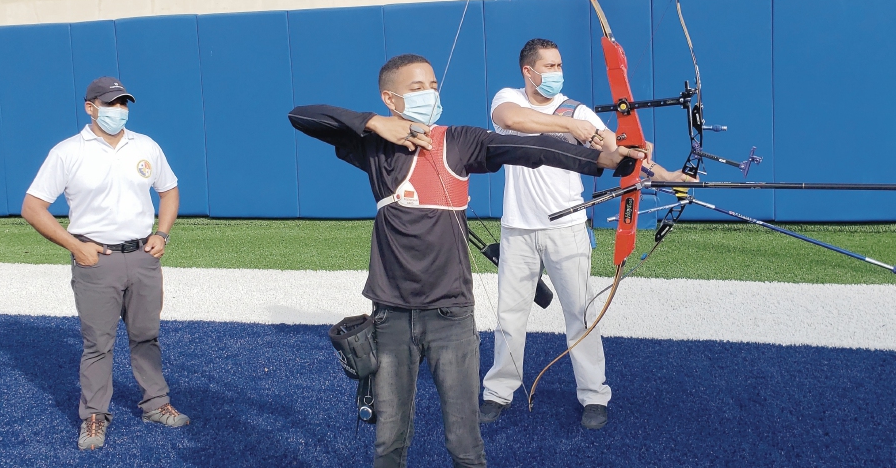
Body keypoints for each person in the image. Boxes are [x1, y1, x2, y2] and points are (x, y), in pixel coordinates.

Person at [287, 54, 643, 468]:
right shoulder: (375, 145)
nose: (430, 93)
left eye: (434, 86)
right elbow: (303, 117)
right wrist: (373, 122)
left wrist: (604, 159)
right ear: (391, 98)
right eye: (417, 88)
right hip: (390, 315)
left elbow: (529, 147)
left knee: (465, 443)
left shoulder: (458, 140)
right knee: (388, 441)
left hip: (451, 315)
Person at [480, 38, 698, 430]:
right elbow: (514, 120)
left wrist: (663, 174)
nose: (556, 73)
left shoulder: (578, 109)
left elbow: (619, 150)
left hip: (566, 230)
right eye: (549, 66)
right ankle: (498, 391)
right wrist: (570, 126)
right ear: (528, 71)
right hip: (517, 229)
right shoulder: (509, 98)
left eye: (559, 65)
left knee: (581, 315)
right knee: (509, 317)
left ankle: (594, 396)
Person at [21, 77, 189, 451]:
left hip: (143, 258)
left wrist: (162, 234)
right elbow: (32, 207)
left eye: (123, 103)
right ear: (90, 107)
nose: (119, 110)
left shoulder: (145, 145)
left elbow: (169, 189)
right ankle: (94, 415)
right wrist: (75, 246)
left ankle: (156, 404)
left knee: (146, 336)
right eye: (110, 103)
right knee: (98, 344)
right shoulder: (67, 152)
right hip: (96, 261)